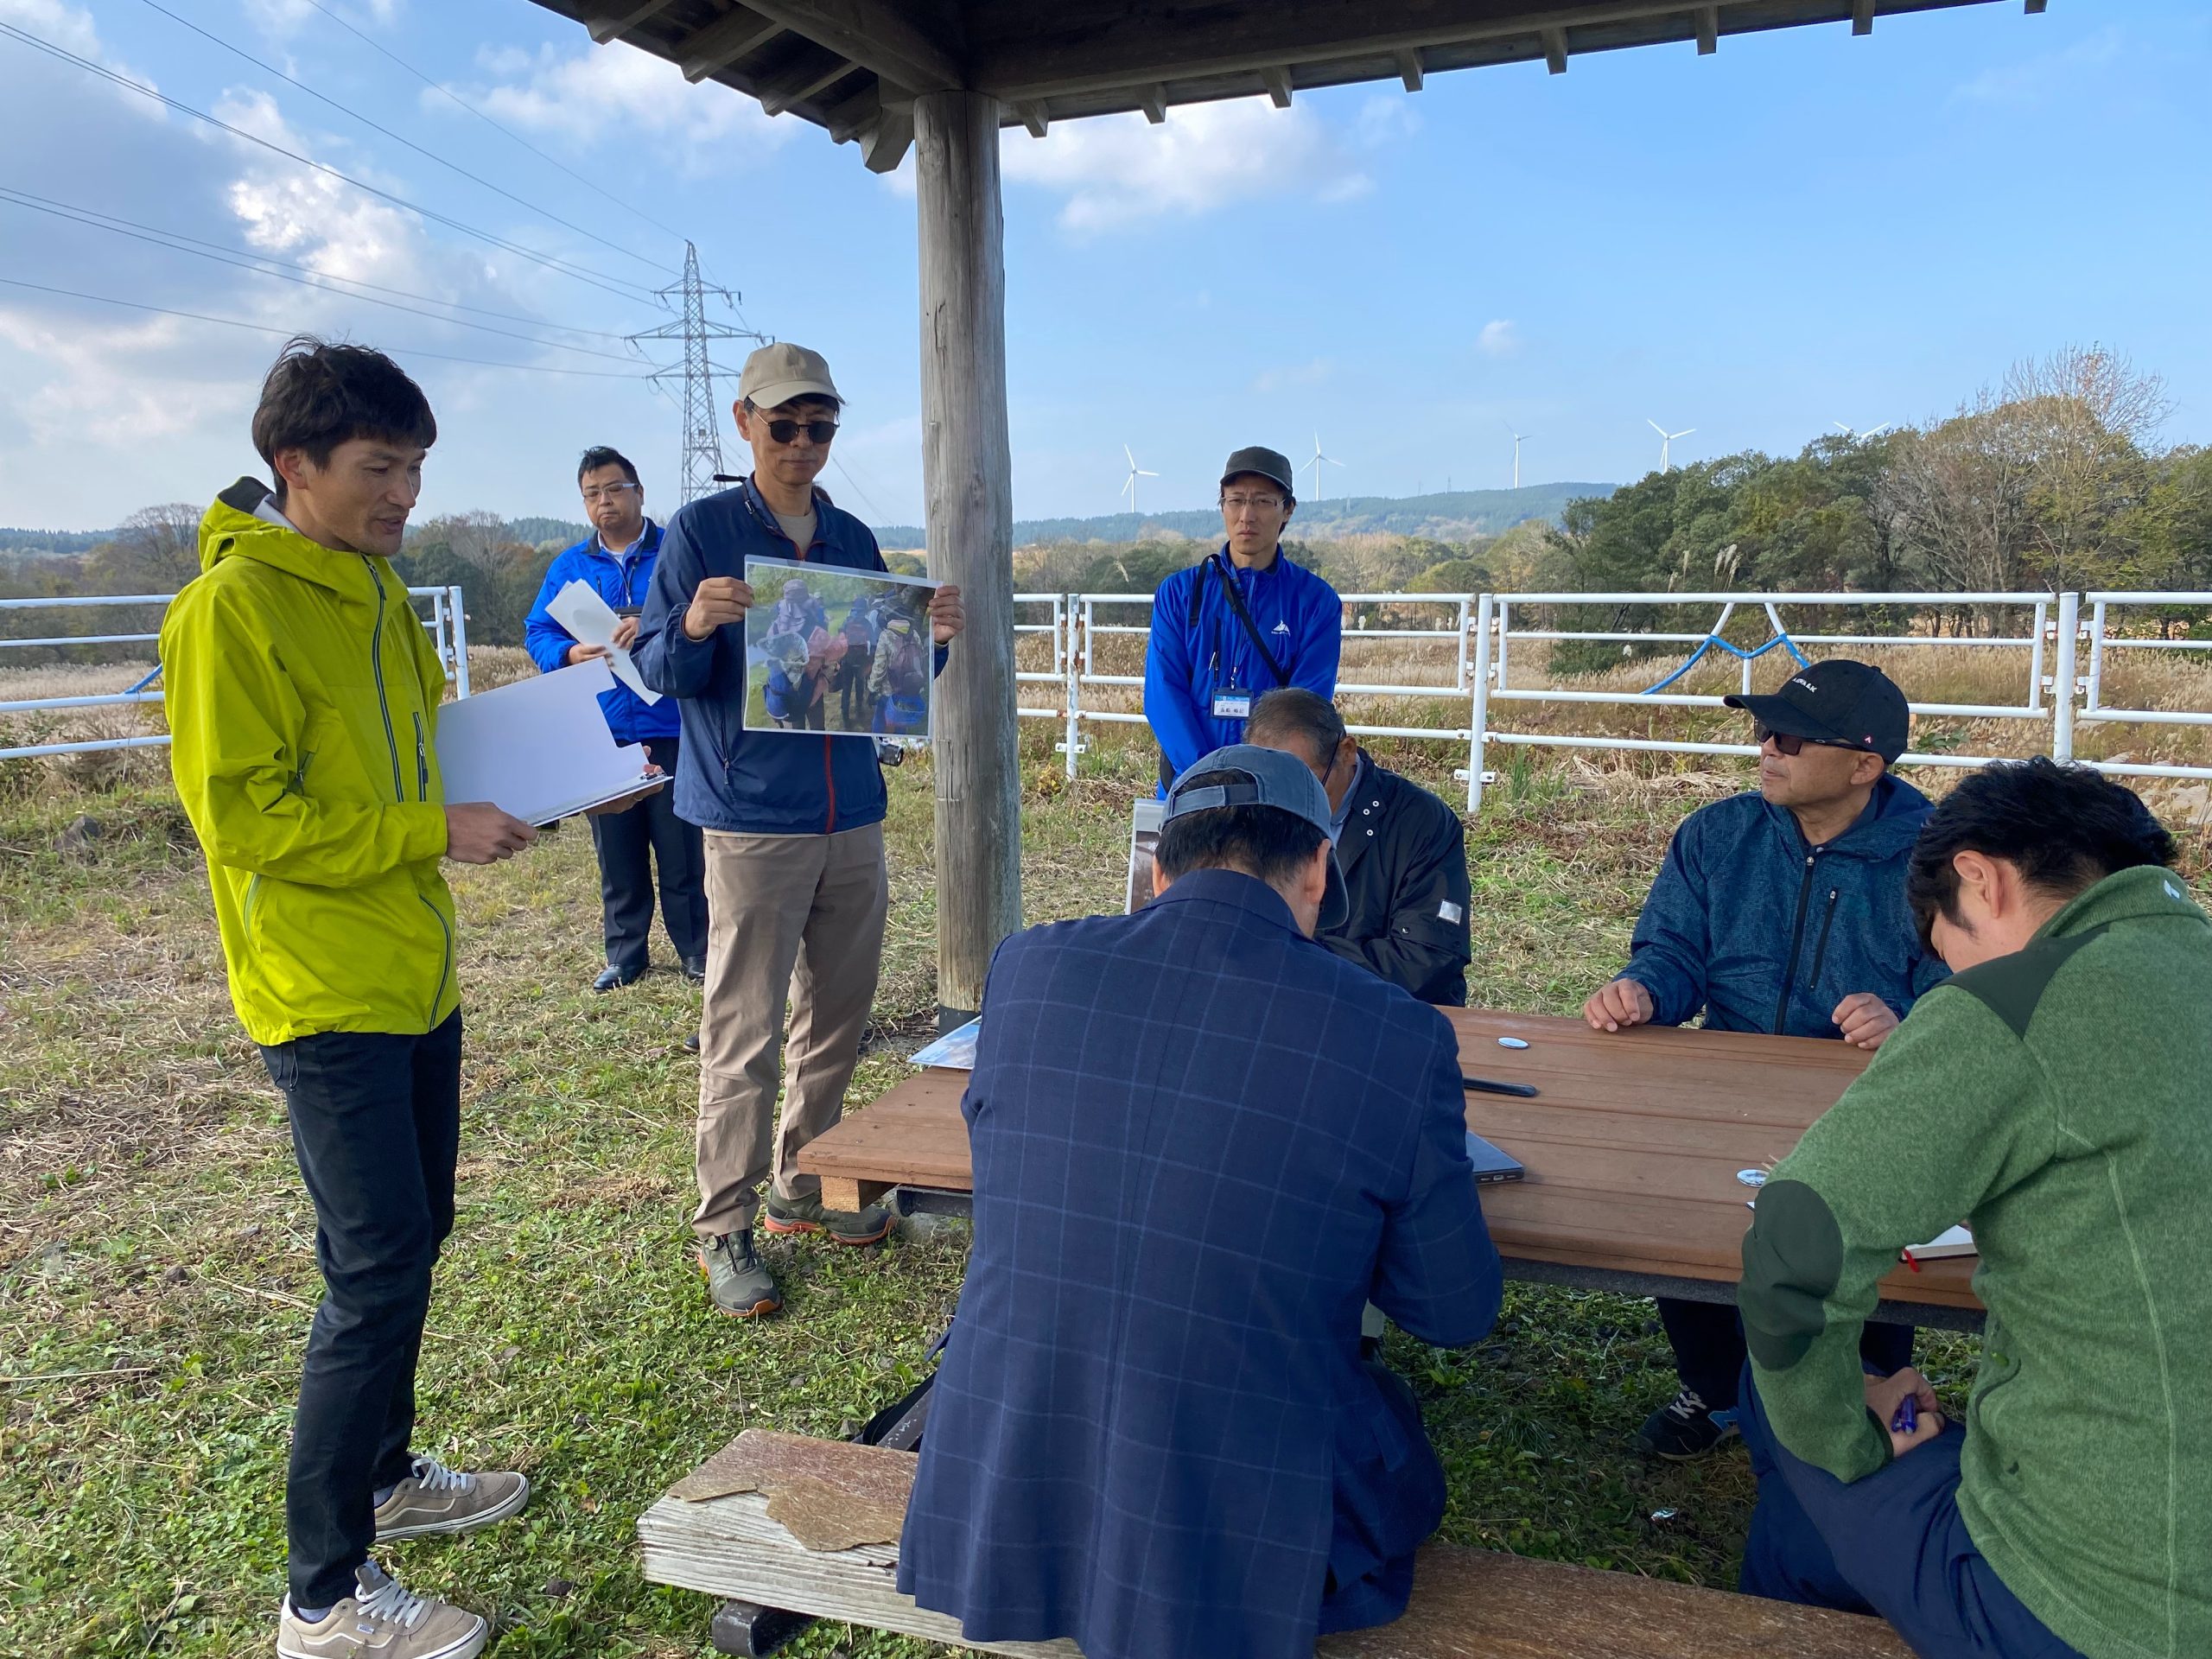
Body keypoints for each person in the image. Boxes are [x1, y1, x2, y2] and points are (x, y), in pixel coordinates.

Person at [899, 744, 1503, 1659]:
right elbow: (1453, 1311)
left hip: (1007, 1485)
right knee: (1391, 1436)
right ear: (1316, 872)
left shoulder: (1026, 970)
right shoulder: (1397, 1033)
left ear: (1158, 868)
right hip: (1237, 1531)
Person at [161, 338, 539, 1659]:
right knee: (373, 1271)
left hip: (412, 969)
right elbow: (246, 820)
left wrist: (547, 771)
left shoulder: (373, 589)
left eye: (417, 468)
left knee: (415, 1236)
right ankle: (322, 1597)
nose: (405, 496)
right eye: (381, 468)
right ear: (296, 464)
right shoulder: (230, 612)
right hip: (322, 994)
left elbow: (424, 751)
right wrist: (433, 830)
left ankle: (386, 1478)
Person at [1737, 757, 2209, 1659]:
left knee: (1778, 1412)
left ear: (1979, 879)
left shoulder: (2019, 1001)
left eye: (1948, 951)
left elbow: (1798, 1241)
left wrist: (1852, 1433)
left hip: (2100, 1610)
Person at [633, 341, 965, 1320]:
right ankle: (723, 1223)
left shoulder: (853, 537)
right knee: (744, 1032)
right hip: (751, 822)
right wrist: (694, 625)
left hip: (850, 812)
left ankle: (805, 1182)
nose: (802, 442)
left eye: (819, 425)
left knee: (838, 1019)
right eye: (784, 424)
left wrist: (930, 645)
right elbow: (656, 668)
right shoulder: (700, 533)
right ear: (745, 423)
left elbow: (885, 683)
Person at [1580, 659, 1945, 1459]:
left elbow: (1964, 990)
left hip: (1870, 1096)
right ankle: (1715, 1389)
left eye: (1789, 737)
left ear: (1865, 766)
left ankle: (1870, 1391)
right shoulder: (1716, 834)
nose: (1766, 748)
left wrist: (1908, 1020)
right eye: (1763, 730)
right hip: (1726, 1080)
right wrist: (1643, 989)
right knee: (1688, 1219)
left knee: (1862, 1250)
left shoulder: (1939, 861)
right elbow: (1672, 952)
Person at [523, 446, 707, 993]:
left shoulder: (676, 551)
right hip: (606, 730)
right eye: (592, 494)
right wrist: (568, 654)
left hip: (672, 722)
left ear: (639, 492)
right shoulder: (570, 567)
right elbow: (538, 631)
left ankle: (697, 949)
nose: (604, 501)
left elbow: (703, 616)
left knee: (682, 849)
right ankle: (626, 954)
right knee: (617, 851)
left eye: (614, 489)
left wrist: (654, 625)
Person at [1246, 686, 1472, 1004]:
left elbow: (1425, 958)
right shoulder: (1252, 811)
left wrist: (1295, 959)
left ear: (1347, 751)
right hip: (1281, 1003)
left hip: (1390, 1013)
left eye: (1305, 782)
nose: (1288, 801)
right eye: (1271, 784)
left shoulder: (1423, 822)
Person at [1143, 445, 1342, 792]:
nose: (1246, 516)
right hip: (1188, 787)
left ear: (1288, 509)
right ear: (1222, 505)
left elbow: (1305, 708)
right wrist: (1205, 777)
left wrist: (1253, 782)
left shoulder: (1316, 602)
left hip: (1269, 792)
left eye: (1263, 501)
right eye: (1235, 500)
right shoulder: (1178, 593)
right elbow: (1163, 695)